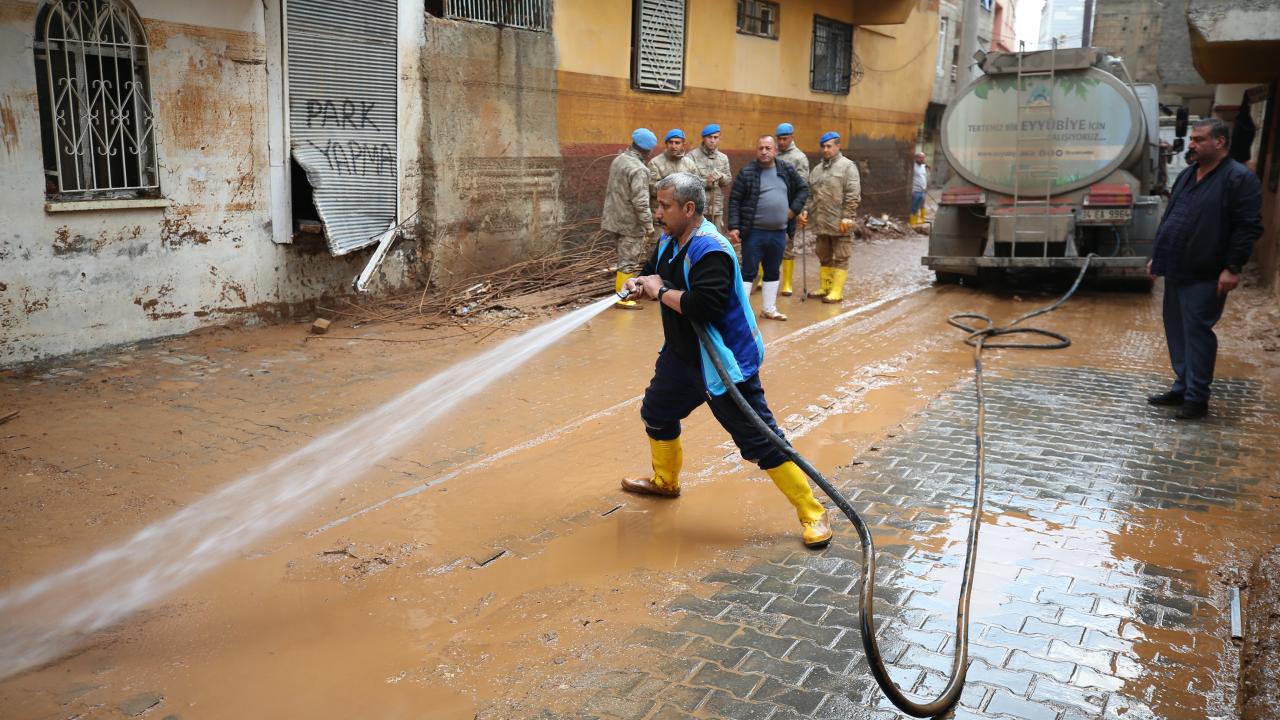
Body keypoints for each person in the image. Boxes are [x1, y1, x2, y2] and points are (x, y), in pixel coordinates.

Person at [620, 172, 833, 548]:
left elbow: (705, 306)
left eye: (664, 205)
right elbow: (654, 273)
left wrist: (662, 290)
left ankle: (813, 511)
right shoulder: (669, 239)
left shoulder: (712, 250)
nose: (658, 212)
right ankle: (665, 482)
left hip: (724, 363)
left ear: (689, 208)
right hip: (683, 357)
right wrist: (641, 284)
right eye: (658, 204)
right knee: (656, 412)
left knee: (761, 440)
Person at [1146, 118, 1262, 419]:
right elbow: (1172, 215)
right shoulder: (1188, 174)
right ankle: (1182, 386)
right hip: (1175, 268)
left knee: (1197, 332)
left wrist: (1232, 267)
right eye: (1193, 139)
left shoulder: (1238, 179)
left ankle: (1197, 398)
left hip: (1207, 272)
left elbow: (1248, 227)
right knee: (1176, 331)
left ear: (1220, 142)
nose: (1192, 144)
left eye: (1199, 139)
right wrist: (1157, 257)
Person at [726, 135, 809, 321]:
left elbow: (803, 188)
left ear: (775, 151)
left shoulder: (786, 169)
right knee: (748, 271)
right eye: (761, 148)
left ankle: (769, 309)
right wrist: (734, 226)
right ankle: (742, 313)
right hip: (753, 231)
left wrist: (794, 210)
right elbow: (735, 200)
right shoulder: (748, 172)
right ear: (757, 150)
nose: (764, 151)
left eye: (768, 148)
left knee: (772, 270)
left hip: (779, 232)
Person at [798, 131, 861, 304]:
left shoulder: (848, 167)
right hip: (821, 222)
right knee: (823, 255)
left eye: (829, 146)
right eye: (823, 147)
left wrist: (848, 217)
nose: (825, 150)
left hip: (840, 222)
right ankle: (825, 287)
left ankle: (836, 291)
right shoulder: (817, 170)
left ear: (838, 146)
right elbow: (810, 195)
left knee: (841, 256)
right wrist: (805, 211)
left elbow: (853, 194)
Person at [602, 128, 658, 310]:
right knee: (629, 262)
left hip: (614, 219)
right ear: (647, 150)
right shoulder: (639, 169)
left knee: (623, 259)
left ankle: (622, 293)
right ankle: (624, 298)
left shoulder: (619, 160)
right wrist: (649, 226)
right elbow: (641, 202)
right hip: (630, 224)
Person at [775, 123, 810, 296]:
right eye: (779, 139)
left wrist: (801, 209)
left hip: (789, 208)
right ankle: (764, 277)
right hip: (771, 207)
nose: (781, 142)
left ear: (791, 137)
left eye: (784, 139)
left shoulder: (799, 158)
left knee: (788, 245)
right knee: (767, 244)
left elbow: (803, 186)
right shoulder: (772, 154)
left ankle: (787, 283)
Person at [691, 124, 732, 234]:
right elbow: (688, 181)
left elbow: (728, 180)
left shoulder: (723, 158)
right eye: (710, 137)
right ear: (703, 138)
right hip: (698, 207)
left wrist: (721, 177)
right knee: (696, 237)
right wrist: (705, 183)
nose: (713, 140)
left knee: (716, 238)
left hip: (716, 208)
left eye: (715, 137)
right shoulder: (692, 156)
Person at [649, 129, 699, 198]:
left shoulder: (690, 164)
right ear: (666, 144)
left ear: (683, 144)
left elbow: (696, 187)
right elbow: (653, 190)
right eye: (670, 142)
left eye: (677, 143)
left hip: (682, 207)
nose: (673, 146)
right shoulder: (655, 163)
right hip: (662, 207)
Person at [910, 152, 929, 227]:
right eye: (920, 158)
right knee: (914, 207)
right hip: (915, 190)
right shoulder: (913, 167)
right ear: (916, 158)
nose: (922, 159)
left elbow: (923, 177)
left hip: (923, 191)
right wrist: (911, 190)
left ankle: (922, 220)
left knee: (922, 205)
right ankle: (913, 223)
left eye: (923, 158)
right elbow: (910, 178)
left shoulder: (923, 166)